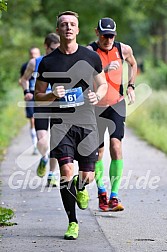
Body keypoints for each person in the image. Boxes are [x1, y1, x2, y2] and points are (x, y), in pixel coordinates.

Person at [35, 11, 107, 240]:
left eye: (72, 24)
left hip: (87, 121)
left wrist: (98, 95)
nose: (68, 27)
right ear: (58, 30)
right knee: (66, 171)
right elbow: (38, 94)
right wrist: (51, 94)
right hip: (60, 123)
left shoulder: (90, 57)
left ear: (77, 29)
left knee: (88, 175)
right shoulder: (48, 61)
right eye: (63, 24)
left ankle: (81, 185)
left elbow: (102, 84)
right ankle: (72, 222)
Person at [87, 17, 137, 212]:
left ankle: (114, 196)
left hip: (116, 104)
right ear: (96, 32)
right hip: (96, 107)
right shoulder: (90, 52)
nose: (108, 40)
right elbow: (82, 74)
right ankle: (101, 192)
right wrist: (105, 69)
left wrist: (131, 86)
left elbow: (133, 64)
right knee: (98, 152)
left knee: (116, 146)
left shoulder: (123, 49)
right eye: (104, 35)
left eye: (111, 36)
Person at [19, 33, 60, 187]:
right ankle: (44, 158)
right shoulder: (34, 63)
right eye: (52, 49)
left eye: (57, 49)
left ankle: (52, 173)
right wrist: (26, 92)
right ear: (45, 46)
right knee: (42, 140)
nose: (55, 52)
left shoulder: (62, 61)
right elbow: (23, 79)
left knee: (56, 141)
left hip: (57, 104)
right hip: (41, 103)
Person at [19, 47, 41, 155]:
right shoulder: (25, 66)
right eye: (32, 53)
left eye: (36, 53)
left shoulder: (43, 63)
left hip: (42, 94)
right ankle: (35, 145)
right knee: (32, 120)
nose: (34, 55)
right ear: (29, 54)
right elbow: (22, 80)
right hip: (31, 94)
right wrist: (26, 91)